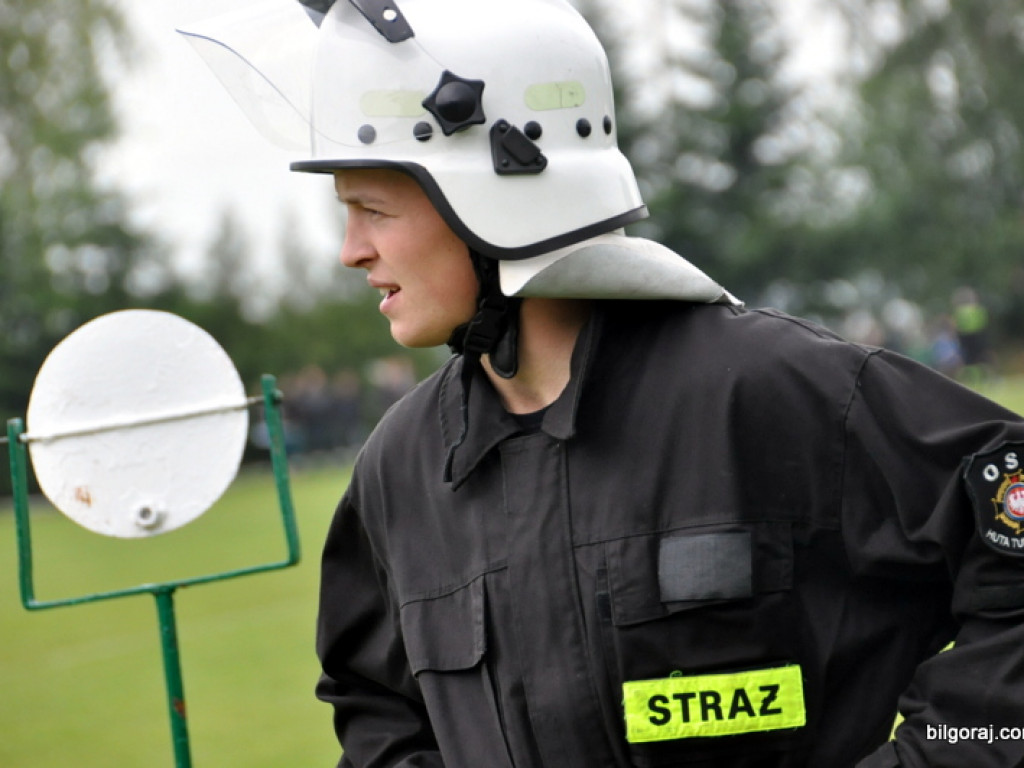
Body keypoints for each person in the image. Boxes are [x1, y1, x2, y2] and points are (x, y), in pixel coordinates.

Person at [180, 1, 1024, 765]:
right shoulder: (399, 471)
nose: (351, 251)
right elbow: (379, 717)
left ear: (490, 195)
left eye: (374, 209)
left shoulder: (772, 393)